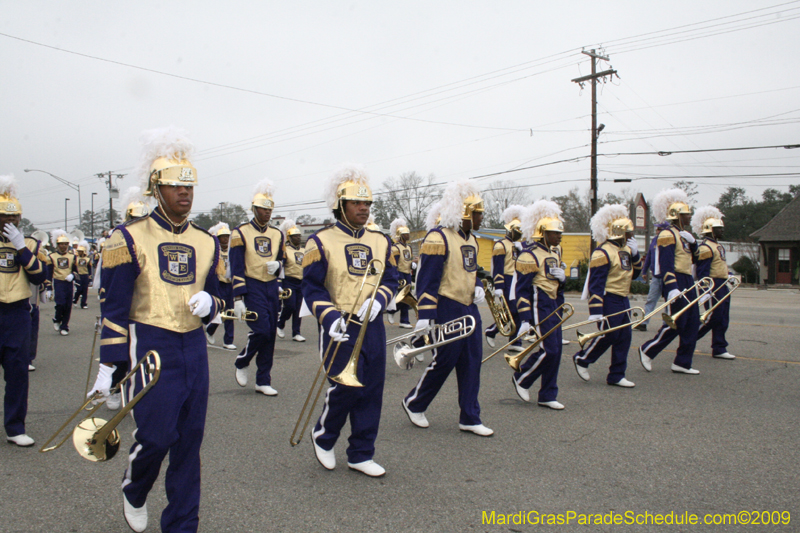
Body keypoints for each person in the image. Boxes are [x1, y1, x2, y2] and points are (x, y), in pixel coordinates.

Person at [88, 127, 223, 532]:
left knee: (189, 442)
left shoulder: (207, 241)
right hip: (150, 343)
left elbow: (221, 297)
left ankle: (182, 524)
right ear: (155, 188)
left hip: (193, 345)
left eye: (189, 186)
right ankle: (135, 487)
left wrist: (211, 303)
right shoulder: (127, 237)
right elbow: (114, 307)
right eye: (175, 186)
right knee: (158, 436)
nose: (185, 193)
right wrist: (109, 366)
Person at [302, 165, 399, 477]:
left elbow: (392, 279)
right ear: (340, 205)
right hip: (340, 326)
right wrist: (329, 317)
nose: (363, 208)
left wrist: (379, 300)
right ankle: (323, 435)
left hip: (372, 323)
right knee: (346, 388)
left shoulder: (381, 240)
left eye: (367, 203)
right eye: (356, 203)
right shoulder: (320, 241)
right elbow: (312, 288)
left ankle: (361, 453)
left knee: (371, 389)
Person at [402, 181, 493, 436]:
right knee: (445, 360)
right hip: (446, 306)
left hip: (468, 307)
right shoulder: (438, 237)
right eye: (478, 213)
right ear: (465, 213)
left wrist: (478, 286)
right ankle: (414, 403)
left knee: (472, 361)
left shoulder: (472, 239)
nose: (481, 217)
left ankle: (470, 417)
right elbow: (426, 280)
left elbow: (470, 270)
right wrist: (425, 315)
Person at [1, 175, 47, 446]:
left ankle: (15, 427)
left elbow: (39, 276)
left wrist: (20, 248)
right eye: (4, 217)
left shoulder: (28, 244)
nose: (9, 221)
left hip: (17, 313)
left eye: (14, 217)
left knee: (17, 373)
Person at [573, 204, 642, 387]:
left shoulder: (626, 249)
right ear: (619, 232)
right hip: (609, 298)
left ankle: (617, 374)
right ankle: (582, 359)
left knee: (625, 337)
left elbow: (635, 274)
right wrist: (596, 309)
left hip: (623, 298)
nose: (631, 235)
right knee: (609, 335)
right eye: (629, 232)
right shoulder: (602, 251)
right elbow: (596, 284)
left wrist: (636, 255)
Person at [510, 200, 567, 409]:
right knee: (548, 350)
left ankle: (548, 394)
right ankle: (522, 377)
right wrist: (525, 319)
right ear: (543, 233)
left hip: (554, 304)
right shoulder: (529, 254)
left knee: (556, 351)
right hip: (539, 303)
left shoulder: (554, 253)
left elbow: (555, 284)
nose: (559, 236)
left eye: (559, 233)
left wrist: (563, 280)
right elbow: (522, 290)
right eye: (555, 233)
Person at [230, 179, 284, 396]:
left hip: (271, 286)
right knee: (261, 330)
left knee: (270, 334)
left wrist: (279, 266)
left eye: (270, 209)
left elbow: (283, 259)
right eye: (263, 209)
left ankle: (263, 379)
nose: (267, 213)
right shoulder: (240, 232)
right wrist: (238, 297)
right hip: (252, 285)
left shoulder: (277, 234)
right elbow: (236, 266)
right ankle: (242, 361)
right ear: (254, 209)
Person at [639, 188, 701, 374]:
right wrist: (672, 287)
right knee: (678, 322)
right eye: (686, 214)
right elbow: (666, 265)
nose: (689, 217)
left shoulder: (684, 234)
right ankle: (648, 350)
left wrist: (694, 244)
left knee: (692, 322)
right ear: (677, 215)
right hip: (676, 279)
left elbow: (696, 259)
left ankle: (682, 362)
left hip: (687, 278)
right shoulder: (667, 234)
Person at [692, 206, 736, 360]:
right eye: (718, 228)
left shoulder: (718, 245)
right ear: (710, 230)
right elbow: (702, 272)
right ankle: (689, 339)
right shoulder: (705, 247)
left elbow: (720, 265)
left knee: (723, 318)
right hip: (713, 285)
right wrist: (706, 291)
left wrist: (729, 275)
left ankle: (719, 347)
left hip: (722, 284)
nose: (722, 230)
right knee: (713, 317)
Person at [485, 205, 524, 351]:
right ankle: (492, 330)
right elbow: (498, 267)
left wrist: (522, 251)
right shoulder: (501, 245)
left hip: (518, 280)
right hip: (507, 280)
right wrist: (499, 286)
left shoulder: (519, 246)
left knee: (519, 311)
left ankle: (515, 342)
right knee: (512, 311)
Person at [205, 222, 237, 350]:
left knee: (230, 312)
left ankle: (228, 340)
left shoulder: (231, 251)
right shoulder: (214, 251)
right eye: (223, 237)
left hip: (229, 284)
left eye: (227, 236)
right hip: (219, 283)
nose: (225, 239)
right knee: (219, 309)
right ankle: (211, 329)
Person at [634, 221, 670, 332]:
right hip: (656, 276)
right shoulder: (654, 240)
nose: (657, 231)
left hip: (667, 276)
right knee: (651, 299)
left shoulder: (669, 241)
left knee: (668, 301)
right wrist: (644, 271)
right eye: (657, 229)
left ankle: (667, 324)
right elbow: (649, 256)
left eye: (659, 229)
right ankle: (644, 322)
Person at [276, 219, 305, 342]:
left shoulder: (303, 250)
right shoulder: (285, 250)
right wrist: (278, 283)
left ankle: (296, 332)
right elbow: (280, 267)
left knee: (298, 308)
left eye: (299, 236)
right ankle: (280, 323)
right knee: (290, 305)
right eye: (295, 236)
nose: (298, 238)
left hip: (301, 282)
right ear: (289, 238)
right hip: (289, 281)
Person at [386, 217, 414, 329]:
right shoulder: (395, 248)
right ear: (400, 236)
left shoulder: (409, 247)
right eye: (405, 234)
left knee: (407, 297)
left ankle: (403, 320)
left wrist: (412, 264)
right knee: (404, 297)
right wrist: (396, 276)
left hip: (407, 273)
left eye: (408, 233)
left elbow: (408, 259)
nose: (408, 235)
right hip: (400, 273)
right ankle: (393, 311)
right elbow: (395, 263)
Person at [48, 229, 76, 336]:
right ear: (57, 245)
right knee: (60, 304)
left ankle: (64, 326)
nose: (63, 246)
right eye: (61, 244)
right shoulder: (52, 256)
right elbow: (49, 273)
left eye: (65, 244)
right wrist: (48, 288)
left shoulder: (72, 256)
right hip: (58, 282)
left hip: (68, 283)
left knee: (68, 305)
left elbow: (76, 271)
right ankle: (57, 318)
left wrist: (73, 275)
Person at [72, 241, 92, 309]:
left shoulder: (87, 259)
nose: (79, 252)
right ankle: (75, 300)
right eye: (79, 251)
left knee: (85, 290)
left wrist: (90, 278)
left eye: (81, 251)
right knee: (79, 289)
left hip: (85, 275)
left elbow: (89, 269)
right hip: (78, 276)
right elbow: (73, 268)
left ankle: (83, 304)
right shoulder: (76, 258)